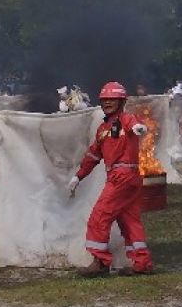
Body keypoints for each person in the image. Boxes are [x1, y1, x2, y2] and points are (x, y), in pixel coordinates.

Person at [66, 81, 154, 278]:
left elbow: (134, 124)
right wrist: (78, 177)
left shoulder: (126, 119)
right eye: (104, 100)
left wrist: (139, 127)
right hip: (128, 178)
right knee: (130, 221)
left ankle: (100, 261)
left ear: (121, 101)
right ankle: (142, 263)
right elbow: (92, 157)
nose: (107, 103)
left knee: (100, 216)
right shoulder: (102, 130)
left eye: (112, 100)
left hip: (121, 177)